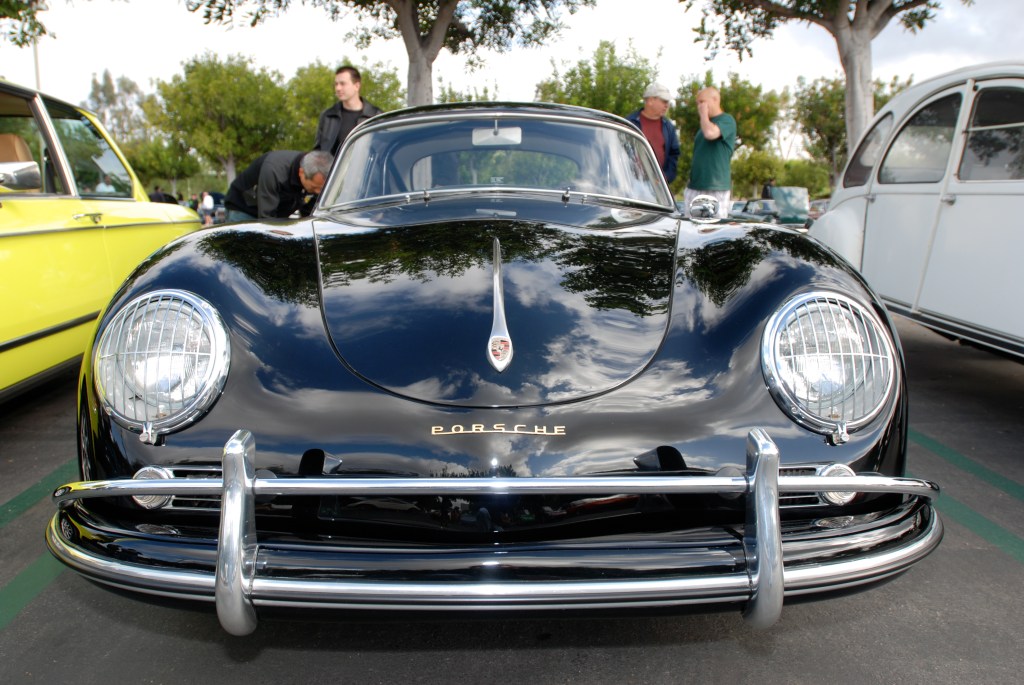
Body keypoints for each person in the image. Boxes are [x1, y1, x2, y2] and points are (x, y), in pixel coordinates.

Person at [224, 150, 333, 221]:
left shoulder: (316, 176)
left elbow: (309, 213)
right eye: (314, 187)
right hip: (244, 209)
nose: (318, 192)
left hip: (276, 213)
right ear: (301, 173)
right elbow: (267, 219)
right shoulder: (274, 171)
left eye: (321, 188)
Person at [684, 87, 737, 219]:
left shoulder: (726, 120)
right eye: (697, 103)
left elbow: (710, 133)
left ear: (715, 100)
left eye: (702, 102)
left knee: (714, 232)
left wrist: (703, 115)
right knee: (690, 229)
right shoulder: (704, 125)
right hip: (695, 186)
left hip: (715, 187)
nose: (699, 106)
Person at [312, 66, 383, 156]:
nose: (338, 88)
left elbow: (381, 151)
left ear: (356, 86)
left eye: (342, 84)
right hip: (331, 169)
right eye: (336, 84)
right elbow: (317, 151)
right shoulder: (328, 116)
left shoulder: (376, 116)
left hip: (364, 169)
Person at [626, 82, 681, 185]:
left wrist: (665, 177)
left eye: (668, 102)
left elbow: (674, 155)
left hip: (658, 186)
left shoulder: (668, 126)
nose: (667, 105)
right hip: (631, 184)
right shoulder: (630, 123)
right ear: (650, 100)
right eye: (664, 101)